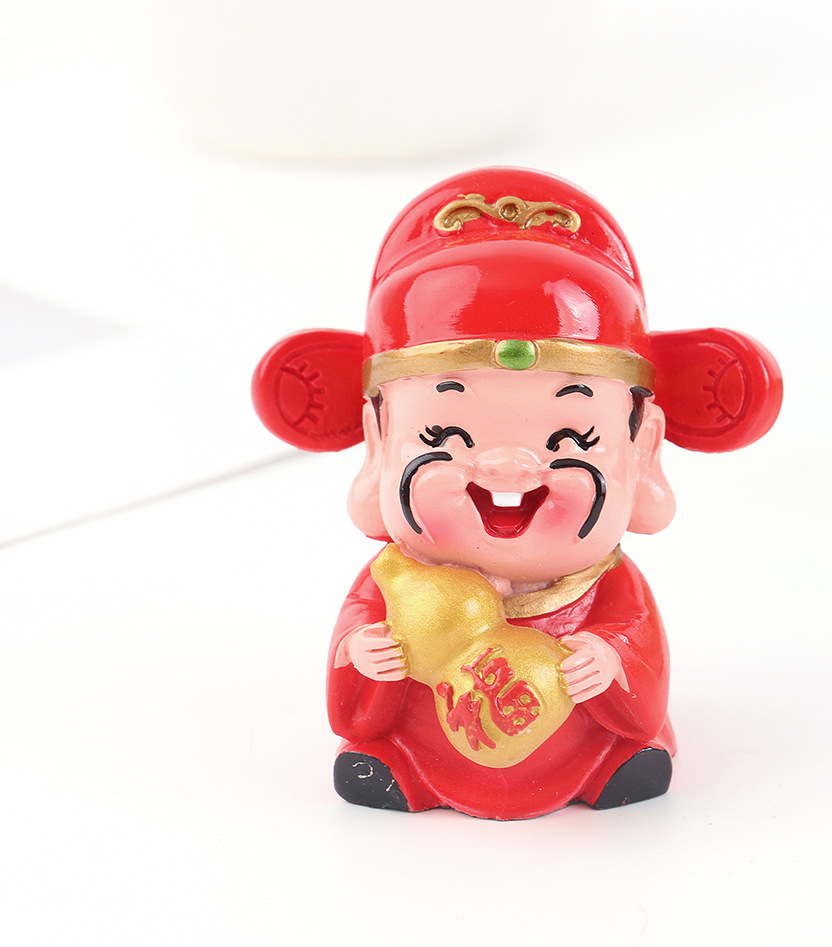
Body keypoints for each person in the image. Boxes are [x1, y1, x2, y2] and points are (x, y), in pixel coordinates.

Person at [252, 167, 782, 819]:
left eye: (572, 438)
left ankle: (602, 765)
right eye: (443, 435)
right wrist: (365, 654)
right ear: (380, 444)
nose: (507, 469)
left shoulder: (607, 587)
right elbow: (355, 657)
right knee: (379, 752)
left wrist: (607, 658)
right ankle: (404, 765)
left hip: (576, 740)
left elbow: (637, 650)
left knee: (627, 751)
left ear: (640, 450)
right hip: (428, 740)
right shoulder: (395, 583)